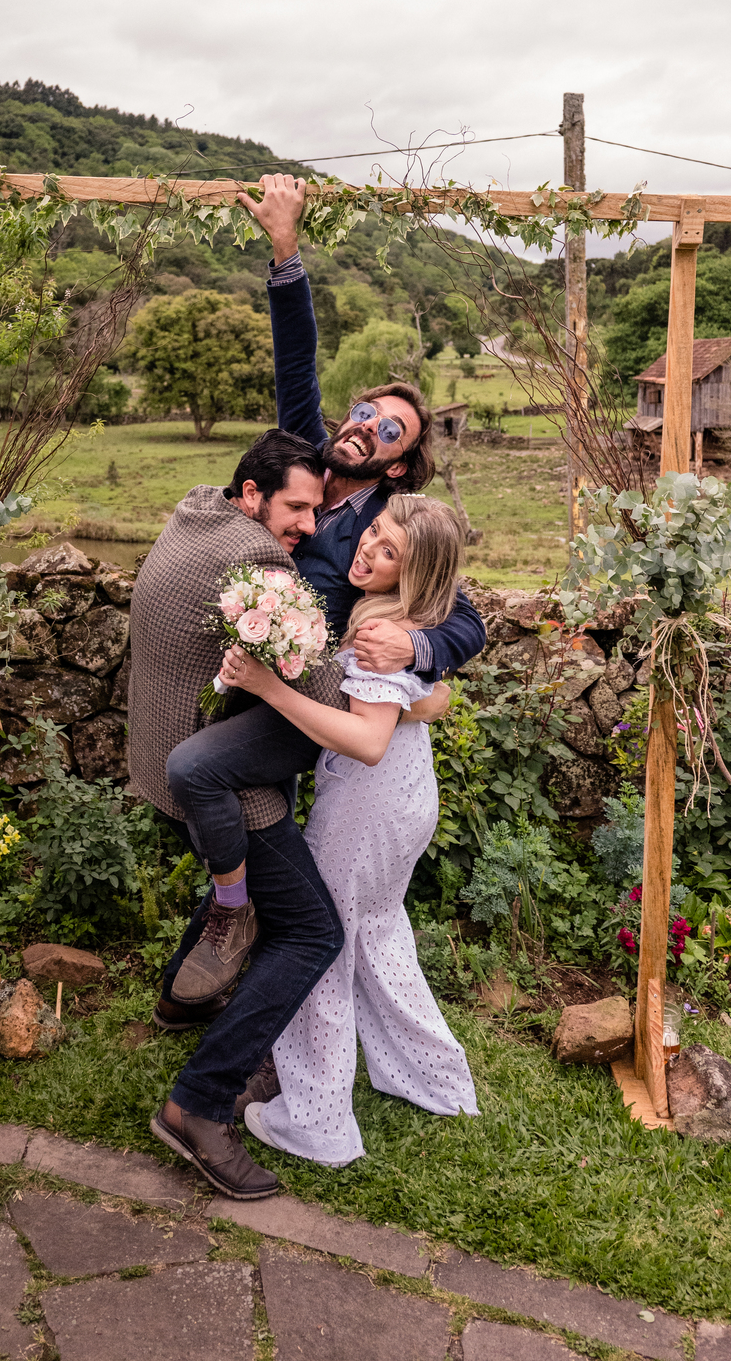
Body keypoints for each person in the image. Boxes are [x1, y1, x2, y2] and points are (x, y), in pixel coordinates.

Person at [164, 172, 486, 1003]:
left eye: (390, 430)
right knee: (250, 836)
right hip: (252, 682)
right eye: (366, 411)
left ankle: (220, 987)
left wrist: (417, 645)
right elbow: (296, 362)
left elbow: (469, 618)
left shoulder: (389, 520)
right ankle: (200, 997)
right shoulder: (303, 460)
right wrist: (285, 253)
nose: (366, 426)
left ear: (400, 464)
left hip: (307, 701)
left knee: (238, 820)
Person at [220, 494, 479, 1165]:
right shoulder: (397, 622)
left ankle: (318, 1122)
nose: (368, 548)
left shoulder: (381, 632)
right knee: (378, 931)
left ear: (414, 575)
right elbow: (427, 699)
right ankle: (436, 1082)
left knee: (319, 946)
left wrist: (270, 688)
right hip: (405, 798)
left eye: (391, 552)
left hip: (367, 806)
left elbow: (367, 740)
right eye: (376, 533)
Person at [129, 427, 347, 1200]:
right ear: (252, 495)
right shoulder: (257, 557)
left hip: (166, 759)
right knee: (311, 931)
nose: (309, 526)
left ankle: (180, 999)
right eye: (297, 508)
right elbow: (322, 692)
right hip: (225, 786)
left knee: (241, 895)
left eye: (317, 511)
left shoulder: (195, 511)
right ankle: (199, 1104)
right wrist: (381, 672)